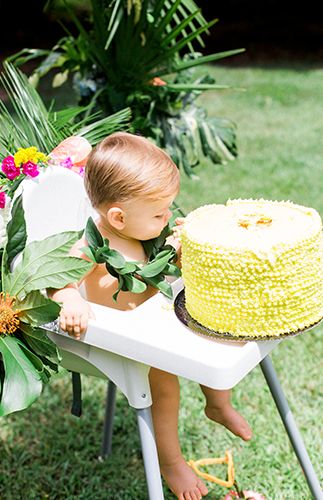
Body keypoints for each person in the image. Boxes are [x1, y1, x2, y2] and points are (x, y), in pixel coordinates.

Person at [49, 132, 252, 500]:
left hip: (158, 318)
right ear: (118, 217)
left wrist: (176, 250)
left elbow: (156, 272)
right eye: (160, 213)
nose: (167, 216)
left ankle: (218, 403)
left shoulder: (144, 234)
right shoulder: (90, 247)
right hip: (128, 340)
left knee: (212, 333)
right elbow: (59, 285)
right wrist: (70, 300)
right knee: (165, 385)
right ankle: (171, 462)